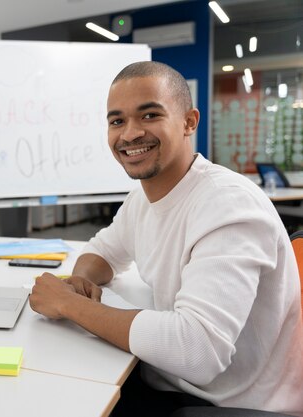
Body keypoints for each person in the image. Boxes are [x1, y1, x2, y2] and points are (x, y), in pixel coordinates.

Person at [29, 62, 303, 417]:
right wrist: (80, 281)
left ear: (189, 122)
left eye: (149, 115)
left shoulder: (228, 204)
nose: (129, 134)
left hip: (227, 402)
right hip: (168, 378)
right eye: (117, 121)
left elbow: (198, 350)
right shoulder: (142, 197)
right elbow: (103, 251)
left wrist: (70, 305)